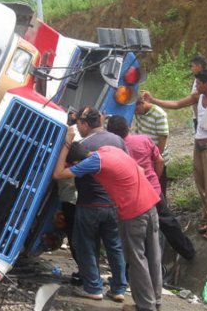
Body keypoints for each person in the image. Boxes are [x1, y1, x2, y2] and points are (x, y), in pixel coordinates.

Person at [53, 129, 162, 311]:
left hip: (133, 212)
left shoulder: (93, 162)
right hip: (150, 204)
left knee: (136, 260)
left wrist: (66, 144)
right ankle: (155, 302)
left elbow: (58, 174)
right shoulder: (110, 150)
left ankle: (145, 307)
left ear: (78, 161)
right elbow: (141, 170)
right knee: (153, 256)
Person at [143, 70, 207, 240]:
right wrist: (153, 100)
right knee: (201, 184)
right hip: (199, 147)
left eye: (199, 83)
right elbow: (176, 104)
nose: (196, 86)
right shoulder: (197, 97)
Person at [107, 115, 195, 260]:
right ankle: (188, 252)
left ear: (111, 133)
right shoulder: (143, 139)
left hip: (132, 196)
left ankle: (148, 265)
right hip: (153, 189)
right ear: (128, 127)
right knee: (167, 222)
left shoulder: (115, 149)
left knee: (139, 233)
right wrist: (155, 177)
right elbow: (159, 160)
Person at [67, 106, 128, 302]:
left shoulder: (83, 142)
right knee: (114, 246)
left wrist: (68, 143)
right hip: (113, 203)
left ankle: (93, 288)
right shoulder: (117, 140)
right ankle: (119, 289)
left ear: (85, 124)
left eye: (79, 125)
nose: (79, 128)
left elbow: (66, 168)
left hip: (90, 203)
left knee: (85, 245)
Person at [134, 96, 170, 199]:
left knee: (159, 186)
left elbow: (163, 137)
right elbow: (138, 130)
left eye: (136, 109)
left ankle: (163, 211)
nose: (136, 112)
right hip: (145, 157)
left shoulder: (159, 114)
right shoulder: (139, 113)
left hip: (157, 155)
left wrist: (156, 157)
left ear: (142, 103)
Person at [190, 55, 207, 130]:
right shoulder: (197, 78)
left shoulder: (204, 78)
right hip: (198, 116)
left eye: (193, 66)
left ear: (199, 66)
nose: (192, 69)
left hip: (203, 117)